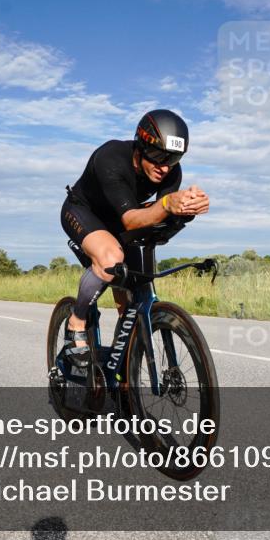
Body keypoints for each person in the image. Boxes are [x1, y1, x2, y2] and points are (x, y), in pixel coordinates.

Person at [58, 109, 209, 381]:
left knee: (134, 298)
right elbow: (131, 219)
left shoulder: (171, 173)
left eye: (174, 158)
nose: (165, 167)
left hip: (124, 221)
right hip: (84, 212)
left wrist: (187, 209)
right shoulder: (111, 158)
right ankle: (76, 321)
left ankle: (121, 375)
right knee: (111, 260)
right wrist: (167, 204)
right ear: (140, 146)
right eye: (159, 156)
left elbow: (158, 218)